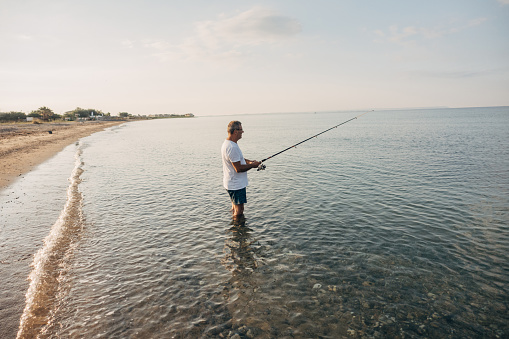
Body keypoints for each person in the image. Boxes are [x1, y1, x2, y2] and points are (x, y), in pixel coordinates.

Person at [221, 121, 260, 219]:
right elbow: (238, 168)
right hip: (236, 184)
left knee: (234, 207)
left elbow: (239, 159)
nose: (243, 131)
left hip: (231, 182)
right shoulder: (232, 147)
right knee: (239, 210)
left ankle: (234, 229)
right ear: (235, 131)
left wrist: (250, 162)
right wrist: (253, 166)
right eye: (241, 129)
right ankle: (238, 229)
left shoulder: (229, 143)